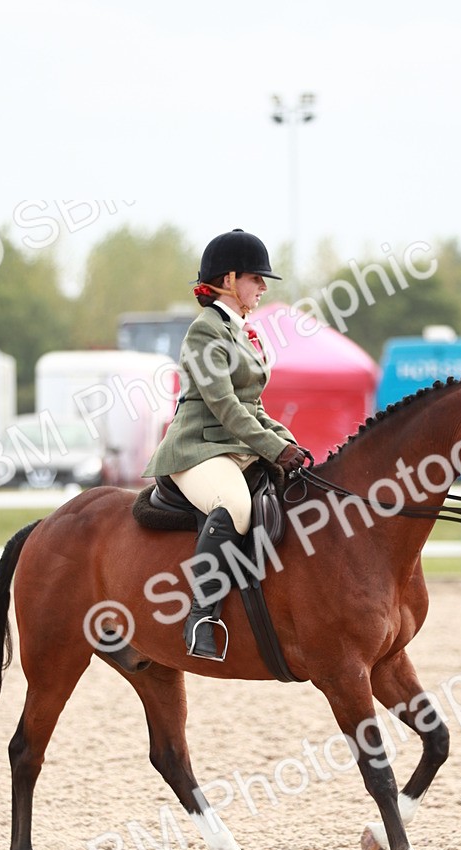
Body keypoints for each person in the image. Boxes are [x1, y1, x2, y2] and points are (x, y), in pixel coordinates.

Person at [142, 228, 309, 660]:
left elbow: (253, 406)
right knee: (236, 505)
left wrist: (289, 443)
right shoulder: (205, 332)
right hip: (198, 448)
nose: (262, 287)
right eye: (256, 278)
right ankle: (201, 615)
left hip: (236, 446)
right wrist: (274, 449)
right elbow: (227, 408)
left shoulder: (245, 333)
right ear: (230, 280)